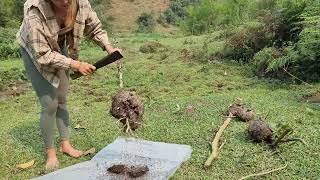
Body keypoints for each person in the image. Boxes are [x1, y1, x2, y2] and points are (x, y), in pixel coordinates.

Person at [16, 0, 120, 170]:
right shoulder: (35, 12)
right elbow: (43, 55)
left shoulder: (80, 3)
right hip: (35, 50)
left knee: (62, 98)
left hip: (59, 43)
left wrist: (109, 48)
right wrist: (76, 65)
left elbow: (94, 27)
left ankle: (66, 144)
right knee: (49, 103)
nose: (65, 1)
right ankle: (50, 153)